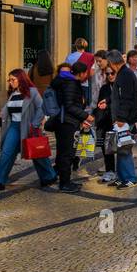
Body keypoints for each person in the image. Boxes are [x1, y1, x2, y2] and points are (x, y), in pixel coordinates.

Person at [0, 69, 55, 190]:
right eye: (9, 80)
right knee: (6, 153)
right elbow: (9, 110)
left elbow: (41, 107)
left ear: (21, 79)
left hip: (29, 126)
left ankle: (49, 176)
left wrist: (35, 123)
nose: (10, 82)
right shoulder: (13, 93)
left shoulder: (32, 92)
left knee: (37, 153)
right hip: (14, 127)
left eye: (13, 79)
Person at [48, 60, 91, 192]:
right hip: (67, 123)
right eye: (86, 73)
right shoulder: (71, 84)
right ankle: (65, 183)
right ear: (82, 73)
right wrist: (85, 116)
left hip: (66, 122)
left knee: (64, 153)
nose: (87, 76)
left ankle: (65, 180)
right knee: (67, 153)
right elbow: (70, 105)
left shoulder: (68, 82)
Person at [104, 49, 137, 189]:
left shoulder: (125, 74)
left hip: (124, 119)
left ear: (112, 62)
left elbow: (127, 99)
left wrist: (121, 118)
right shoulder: (123, 73)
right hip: (121, 118)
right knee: (119, 148)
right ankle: (121, 177)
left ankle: (130, 178)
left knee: (124, 149)